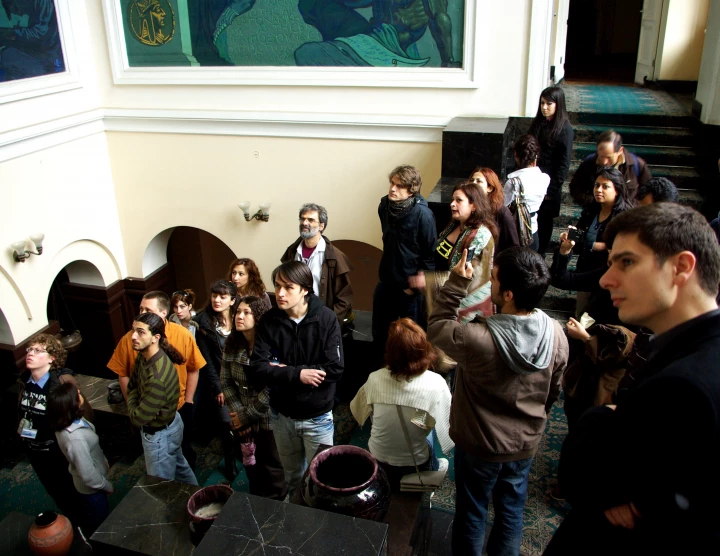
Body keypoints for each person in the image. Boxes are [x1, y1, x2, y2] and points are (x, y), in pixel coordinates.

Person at [544, 203, 720, 555]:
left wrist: (602, 417)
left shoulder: (685, 387)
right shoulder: (690, 349)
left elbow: (582, 473)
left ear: (681, 267)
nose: (607, 280)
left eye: (626, 262)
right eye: (609, 263)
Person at [428, 247, 569, 556]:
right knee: (511, 510)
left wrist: (456, 283)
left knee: (473, 511)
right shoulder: (557, 334)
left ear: (507, 294)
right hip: (524, 444)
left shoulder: (477, 338)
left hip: (480, 445)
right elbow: (553, 392)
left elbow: (437, 327)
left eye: (492, 278)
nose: (488, 282)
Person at [249, 262, 344, 496]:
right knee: (293, 479)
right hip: (282, 416)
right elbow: (258, 369)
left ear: (304, 290)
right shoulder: (269, 321)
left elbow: (334, 369)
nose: (279, 293)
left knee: (323, 480)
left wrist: (280, 370)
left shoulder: (326, 319)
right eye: (277, 286)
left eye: (288, 287)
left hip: (317, 417)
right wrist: (298, 374)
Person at [350, 318, 452, 491]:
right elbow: (446, 426)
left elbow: (357, 411)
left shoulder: (375, 378)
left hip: (378, 456)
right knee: (427, 424)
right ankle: (434, 466)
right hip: (415, 461)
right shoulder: (437, 383)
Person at [107, 290, 205, 469]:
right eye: (141, 309)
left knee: (177, 458)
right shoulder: (131, 339)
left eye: (148, 310)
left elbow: (193, 368)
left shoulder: (181, 335)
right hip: (148, 414)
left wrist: (189, 402)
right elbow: (124, 373)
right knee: (174, 461)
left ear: (163, 313)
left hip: (176, 409)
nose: (142, 314)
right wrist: (132, 404)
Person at [17, 334, 90, 525]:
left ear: (52, 358)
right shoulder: (25, 382)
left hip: (60, 450)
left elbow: (84, 413)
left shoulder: (63, 382)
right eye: (29, 350)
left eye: (38, 350)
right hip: (36, 451)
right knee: (56, 492)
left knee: (75, 490)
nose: (30, 354)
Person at [220, 295, 287, 500]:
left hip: (268, 418)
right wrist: (239, 415)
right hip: (243, 418)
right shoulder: (232, 344)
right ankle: (257, 501)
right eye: (238, 312)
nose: (240, 316)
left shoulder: (272, 344)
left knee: (273, 466)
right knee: (251, 464)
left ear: (258, 316)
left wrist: (246, 416)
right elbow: (226, 381)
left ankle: (278, 506)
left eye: (246, 312)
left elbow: (272, 387)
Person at [551, 167, 635, 322]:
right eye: (597, 185)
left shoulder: (624, 217)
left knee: (593, 320)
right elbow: (580, 238)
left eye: (605, 186)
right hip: (586, 268)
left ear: (617, 190)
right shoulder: (591, 210)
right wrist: (573, 244)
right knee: (582, 316)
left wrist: (598, 246)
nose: (599, 190)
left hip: (608, 274)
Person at [372, 165, 437, 364]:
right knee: (380, 333)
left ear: (412, 190)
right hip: (387, 280)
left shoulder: (423, 215)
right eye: (392, 183)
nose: (392, 188)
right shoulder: (384, 205)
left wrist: (414, 286)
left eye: (399, 186)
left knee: (411, 339)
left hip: (409, 289)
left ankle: (410, 371)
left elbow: (430, 254)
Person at [127, 312, 198, 485]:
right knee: (181, 469)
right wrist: (134, 395)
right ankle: (196, 498)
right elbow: (132, 385)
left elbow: (138, 417)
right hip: (170, 426)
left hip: (160, 435)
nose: (134, 336)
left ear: (155, 337)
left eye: (141, 332)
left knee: (160, 486)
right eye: (133, 330)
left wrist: (133, 398)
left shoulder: (157, 376)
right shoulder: (143, 356)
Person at [412, 181, 496, 324]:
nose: (452, 204)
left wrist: (429, 280)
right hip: (444, 297)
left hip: (466, 308)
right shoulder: (455, 225)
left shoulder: (479, 235)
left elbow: (465, 275)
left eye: (459, 200)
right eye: (452, 199)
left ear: (474, 205)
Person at [47, 382, 112, 536]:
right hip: (92, 491)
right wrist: (107, 486)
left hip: (95, 482)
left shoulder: (70, 422)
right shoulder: (74, 439)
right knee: (100, 529)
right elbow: (89, 477)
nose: (79, 391)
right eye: (75, 393)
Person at [281, 202, 354, 328]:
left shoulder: (334, 257)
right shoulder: (292, 252)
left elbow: (344, 297)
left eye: (310, 220)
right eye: (303, 219)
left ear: (321, 226)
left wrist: (329, 322)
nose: (304, 223)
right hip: (294, 318)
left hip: (320, 321)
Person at [195, 280, 239, 480]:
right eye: (214, 296)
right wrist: (219, 388)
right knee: (225, 422)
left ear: (232, 300)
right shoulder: (204, 324)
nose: (217, 300)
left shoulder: (240, 316)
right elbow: (207, 362)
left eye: (222, 297)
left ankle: (243, 451)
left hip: (241, 376)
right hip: (220, 379)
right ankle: (229, 460)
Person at [528, 86, 574, 254]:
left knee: (544, 224)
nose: (544, 107)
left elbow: (563, 165)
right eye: (542, 103)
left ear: (558, 105)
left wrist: (551, 190)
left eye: (549, 103)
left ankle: (539, 258)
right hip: (533, 180)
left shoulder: (565, 129)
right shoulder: (537, 124)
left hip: (549, 187)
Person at [569, 130, 652, 206]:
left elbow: (649, 194)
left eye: (609, 157)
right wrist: (592, 203)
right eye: (601, 156)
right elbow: (575, 188)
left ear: (620, 151)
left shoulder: (637, 165)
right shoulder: (589, 163)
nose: (604, 162)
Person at [504, 134, 551, 251]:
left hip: (514, 233)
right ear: (536, 157)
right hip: (533, 230)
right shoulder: (545, 178)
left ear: (516, 156)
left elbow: (504, 207)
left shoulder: (512, 183)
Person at [468, 167, 520, 253]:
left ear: (490, 188)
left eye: (478, 181)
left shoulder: (501, 211)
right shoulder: (467, 207)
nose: (473, 184)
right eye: (472, 180)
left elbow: (513, 246)